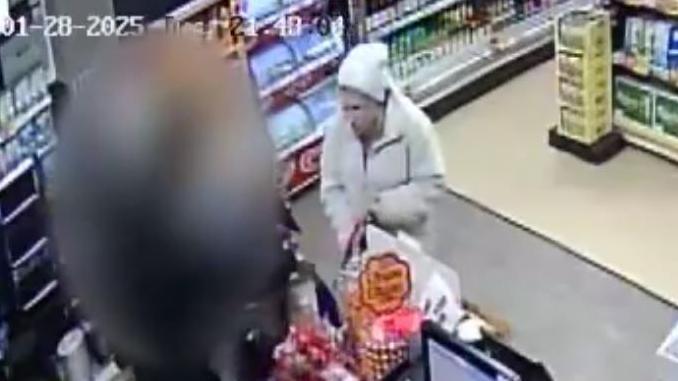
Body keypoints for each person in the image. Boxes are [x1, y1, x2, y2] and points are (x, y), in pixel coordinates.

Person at [320, 43, 447, 256]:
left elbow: (431, 183)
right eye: (344, 107)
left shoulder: (414, 127)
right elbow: (331, 185)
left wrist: (379, 208)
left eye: (356, 108)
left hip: (409, 241)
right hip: (359, 243)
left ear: (379, 103)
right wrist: (344, 224)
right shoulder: (337, 128)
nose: (349, 118)